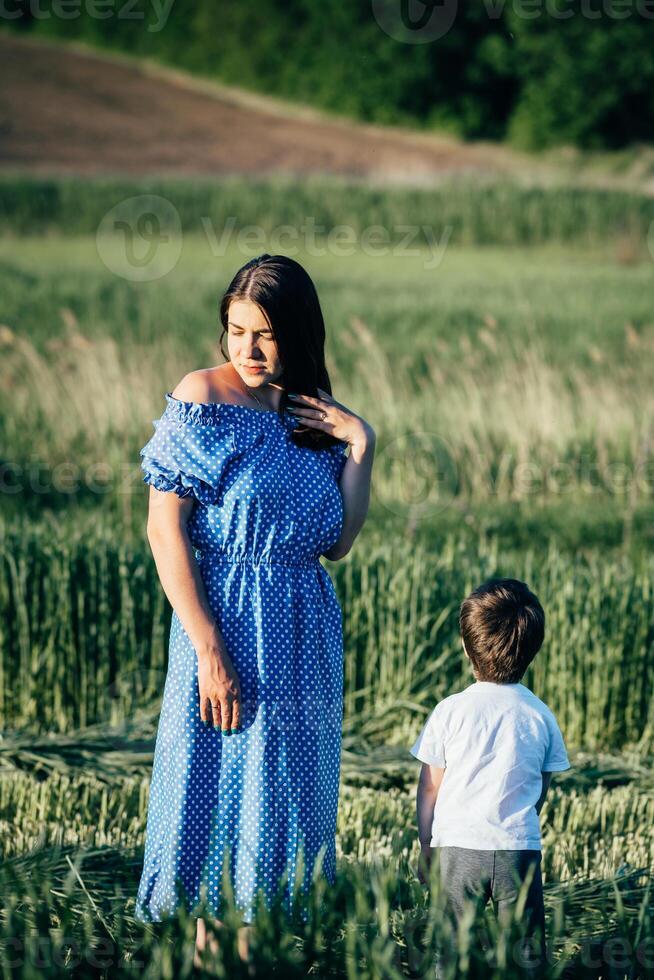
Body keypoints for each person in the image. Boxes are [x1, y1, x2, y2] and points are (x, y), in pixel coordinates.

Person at [133, 254, 376, 970]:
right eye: (236, 331)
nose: (247, 350)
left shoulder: (313, 416)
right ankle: (209, 956)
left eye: (265, 335)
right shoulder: (203, 398)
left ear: (298, 335)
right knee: (215, 783)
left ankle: (259, 951)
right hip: (226, 623)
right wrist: (208, 649)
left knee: (285, 791)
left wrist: (361, 445)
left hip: (303, 631)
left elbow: (338, 541)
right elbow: (163, 530)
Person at [409, 578, 571, 977]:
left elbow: (430, 785)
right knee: (523, 957)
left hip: (458, 849)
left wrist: (426, 844)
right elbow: (541, 788)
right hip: (519, 848)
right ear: (532, 650)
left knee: (450, 951)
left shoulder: (450, 711)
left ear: (467, 648)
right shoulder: (540, 716)